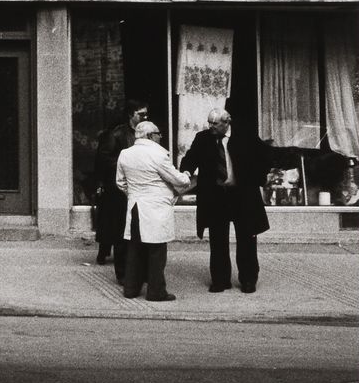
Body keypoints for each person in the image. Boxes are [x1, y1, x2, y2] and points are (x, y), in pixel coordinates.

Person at [179, 108, 270, 293]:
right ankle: (220, 280)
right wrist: (186, 172)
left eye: (215, 123)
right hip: (216, 196)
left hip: (241, 195)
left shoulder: (245, 136)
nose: (211, 126)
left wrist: (257, 179)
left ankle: (248, 279)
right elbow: (189, 159)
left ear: (227, 122)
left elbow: (265, 157)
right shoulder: (203, 138)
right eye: (209, 122)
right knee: (217, 239)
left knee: (246, 238)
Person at [116, 120, 195, 302]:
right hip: (156, 207)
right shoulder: (158, 155)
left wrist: (134, 193)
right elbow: (179, 180)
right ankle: (156, 291)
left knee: (135, 248)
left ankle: (131, 288)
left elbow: (120, 182)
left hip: (135, 205)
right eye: (159, 134)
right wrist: (188, 175)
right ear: (151, 136)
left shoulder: (125, 154)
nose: (161, 137)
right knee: (156, 251)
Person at [90, 101, 149, 282]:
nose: (145, 118)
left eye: (146, 115)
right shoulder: (116, 134)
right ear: (131, 115)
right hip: (120, 190)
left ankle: (139, 270)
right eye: (141, 114)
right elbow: (103, 160)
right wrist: (127, 163)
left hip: (140, 188)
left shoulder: (147, 134)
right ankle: (122, 273)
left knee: (139, 231)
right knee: (121, 232)